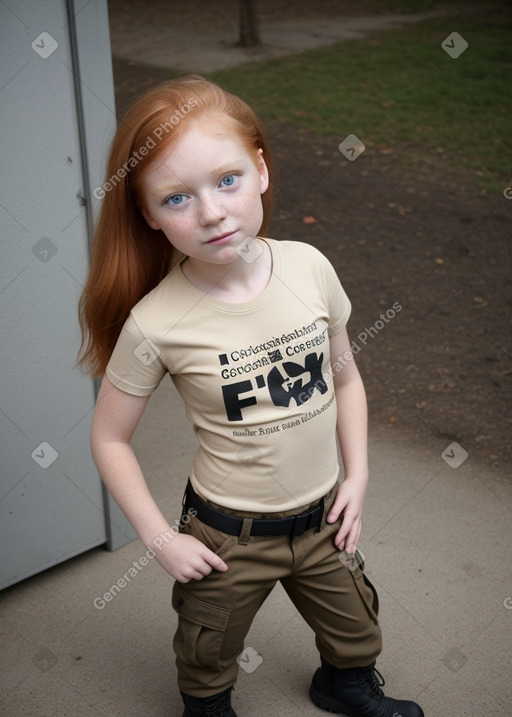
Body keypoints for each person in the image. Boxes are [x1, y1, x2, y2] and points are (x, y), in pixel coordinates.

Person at [78, 75, 424, 717]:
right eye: (177, 198)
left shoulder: (309, 266)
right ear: (148, 215)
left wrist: (359, 473)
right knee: (207, 649)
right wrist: (161, 540)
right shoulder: (156, 323)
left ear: (260, 169)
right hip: (227, 536)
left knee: (357, 627)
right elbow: (108, 437)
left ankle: (344, 685)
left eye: (226, 180)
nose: (210, 211)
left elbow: (344, 375)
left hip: (324, 518)